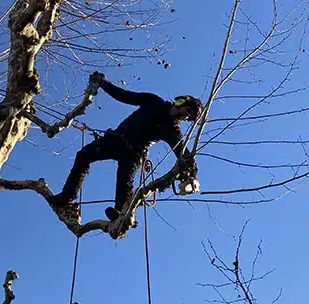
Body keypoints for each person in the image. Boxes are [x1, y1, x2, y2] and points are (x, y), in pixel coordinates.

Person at [48, 72, 202, 221]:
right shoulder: (153, 101)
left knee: (124, 185)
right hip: (115, 140)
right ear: (181, 102)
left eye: (189, 117)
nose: (186, 116)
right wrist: (104, 83)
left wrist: (191, 172)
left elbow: (182, 150)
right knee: (83, 155)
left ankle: (120, 215)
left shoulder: (172, 130)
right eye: (188, 111)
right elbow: (124, 96)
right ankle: (67, 197)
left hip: (133, 153)